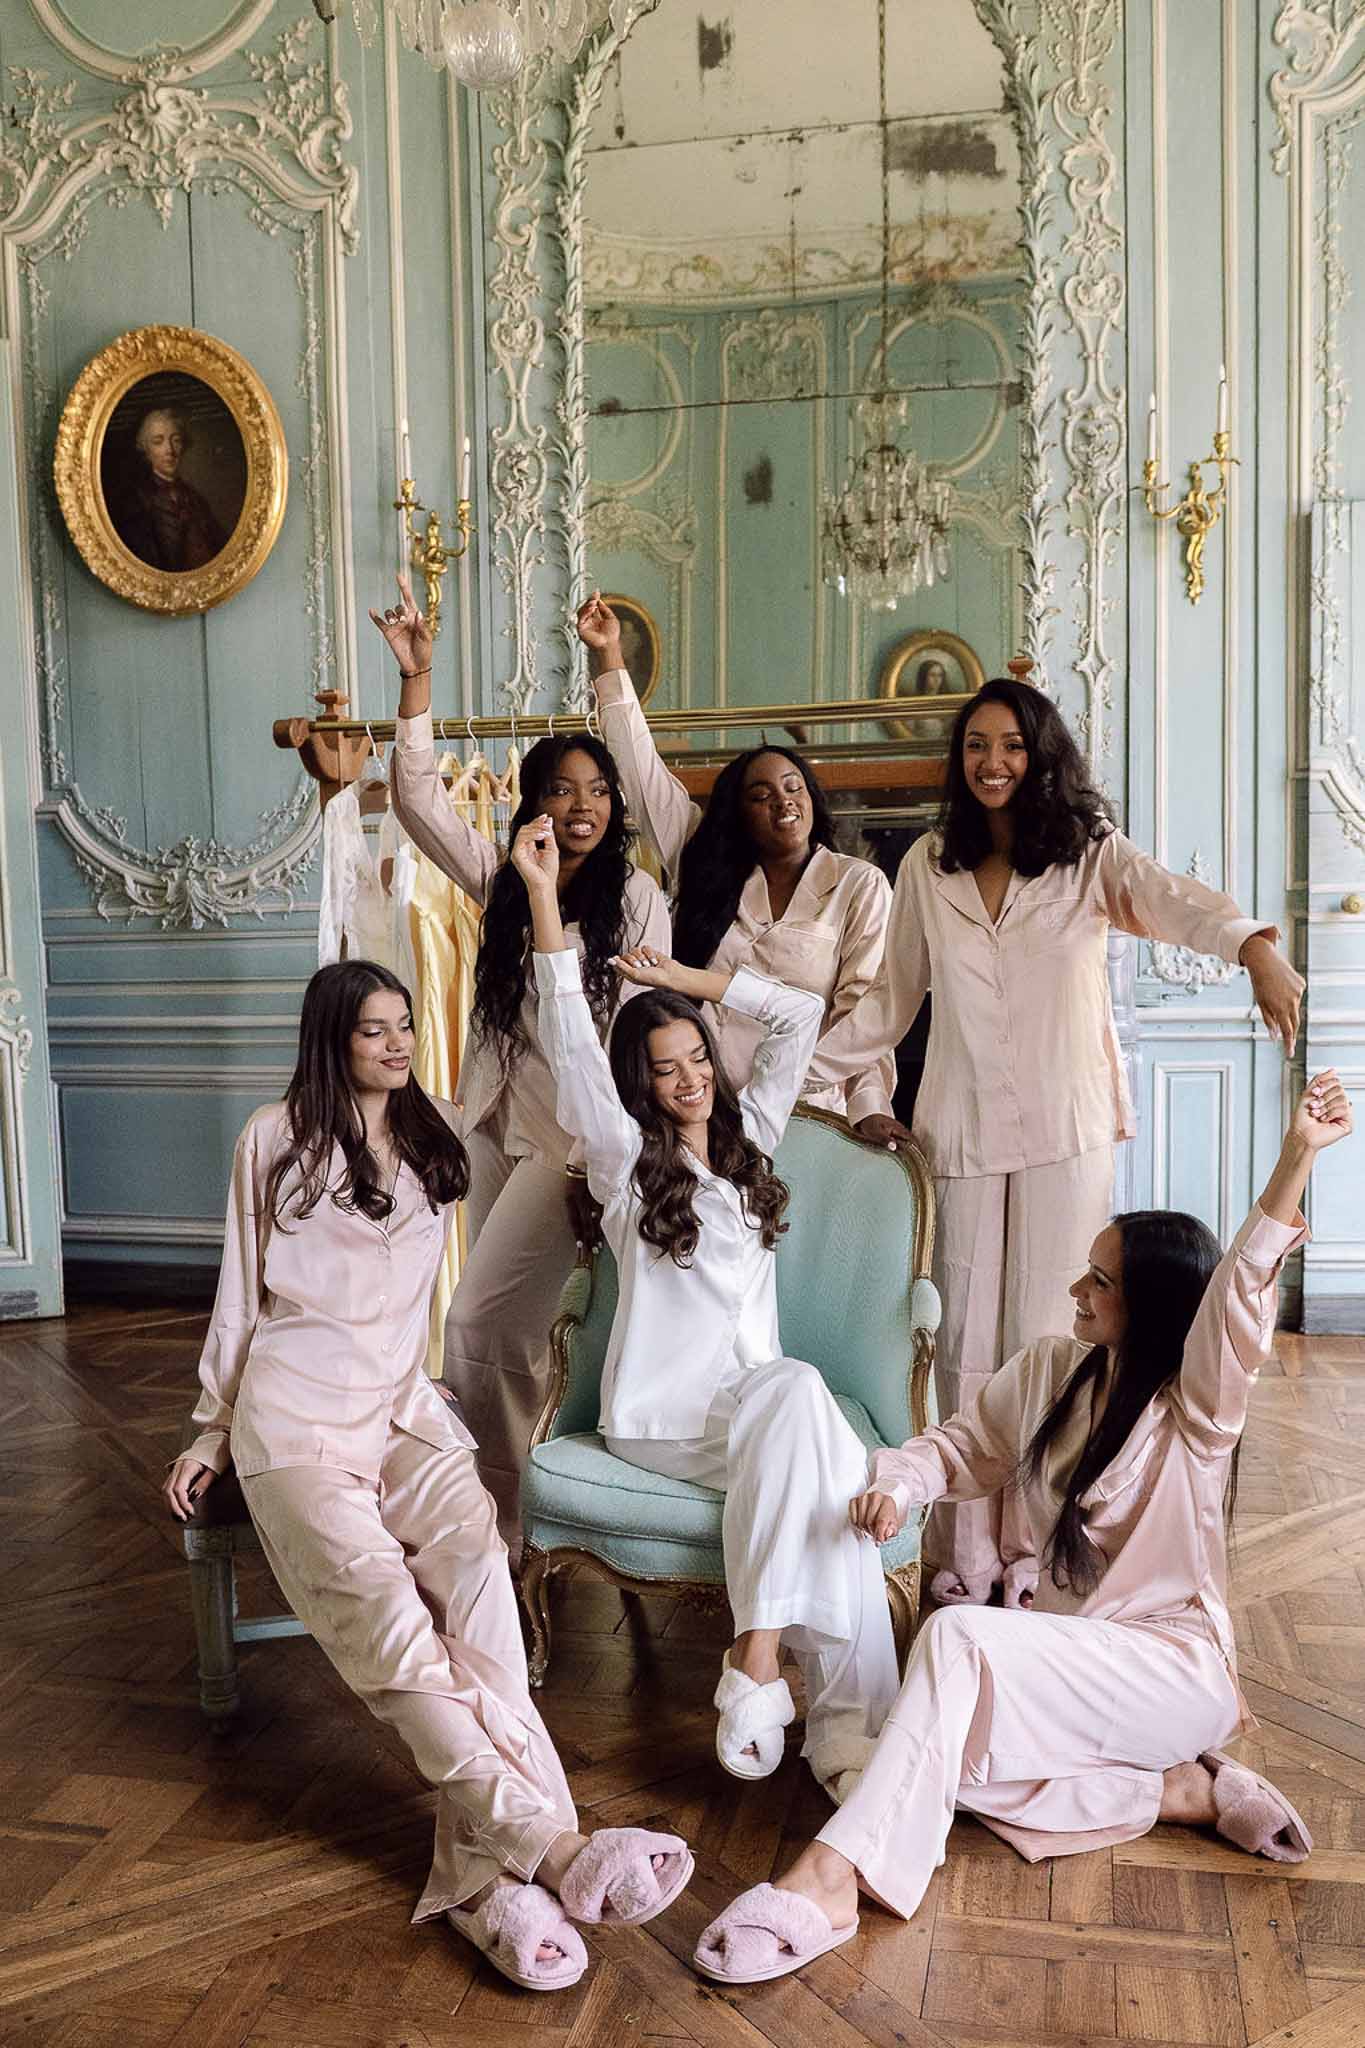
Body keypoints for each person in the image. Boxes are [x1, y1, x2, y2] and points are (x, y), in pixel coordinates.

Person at [693, 1069, 1350, 1984]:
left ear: (1154, 1306)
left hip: (1165, 1668)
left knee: (950, 1643)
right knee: (922, 1767)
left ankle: (830, 1878)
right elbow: (962, 1447)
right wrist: (900, 1484)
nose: (1076, 1288)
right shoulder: (1052, 1368)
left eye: (1101, 1281)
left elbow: (1238, 1296)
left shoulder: (1195, 1411)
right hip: (1064, 1658)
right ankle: (1176, 1792)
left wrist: (1294, 1157)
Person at [162, 960, 692, 1990]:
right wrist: (205, 1428)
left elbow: (575, 1107)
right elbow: (236, 1295)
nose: (397, 1044)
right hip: (296, 1418)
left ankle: (485, 1885)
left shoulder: (438, 1129)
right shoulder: (272, 1138)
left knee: (486, 1588)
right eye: (373, 1030)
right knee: (400, 1634)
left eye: (405, 1025)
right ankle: (559, 1852)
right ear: (331, 1038)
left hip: (405, 1409)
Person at [807, 677, 1306, 1606]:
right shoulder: (927, 864)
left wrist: (1253, 948)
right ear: (957, 762)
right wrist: (793, 1081)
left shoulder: (1088, 858)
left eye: (1010, 745)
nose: (992, 763)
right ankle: (960, 1555)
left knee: (1057, 1337)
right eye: (974, 747)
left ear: (1040, 755)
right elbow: (889, 998)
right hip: (955, 1126)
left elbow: (1175, 903)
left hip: (1065, 1126)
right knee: (959, 1340)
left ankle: (1037, 1548)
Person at [512, 813, 901, 1799]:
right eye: (665, 1067)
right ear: (639, 1084)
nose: (687, 1078)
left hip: (755, 1408)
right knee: (811, 1424)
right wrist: (547, 895)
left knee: (803, 1419)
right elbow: (565, 1022)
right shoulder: (620, 1163)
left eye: (696, 1059)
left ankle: (773, 1671)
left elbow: (797, 1019)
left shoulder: (752, 1140)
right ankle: (832, 1714)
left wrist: (688, 981)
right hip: (664, 1418)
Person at [371, 579, 671, 1540]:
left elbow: (633, 1051)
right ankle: (515, 1501)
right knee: (527, 1335)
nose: (581, 806)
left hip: (572, 1150)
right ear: (533, 802)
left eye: (597, 791)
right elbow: (416, 802)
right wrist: (417, 680)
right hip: (496, 1127)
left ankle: (499, 1522)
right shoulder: (506, 882)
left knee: (477, 1326)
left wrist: (603, 1162)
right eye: (560, 789)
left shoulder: (635, 910)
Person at [577, 593, 897, 1135]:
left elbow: (863, 1015)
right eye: (762, 794)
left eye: (794, 787)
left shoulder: (856, 884)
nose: (783, 801)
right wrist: (610, 658)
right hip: (698, 1112)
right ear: (738, 812)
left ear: (813, 798)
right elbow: (639, 770)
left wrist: (862, 1107)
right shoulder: (704, 864)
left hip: (808, 1113)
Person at [108, 407, 227, 571]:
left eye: (176, 440)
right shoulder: (135, 500)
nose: (169, 450)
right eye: (158, 442)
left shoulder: (195, 499)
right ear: (146, 450)